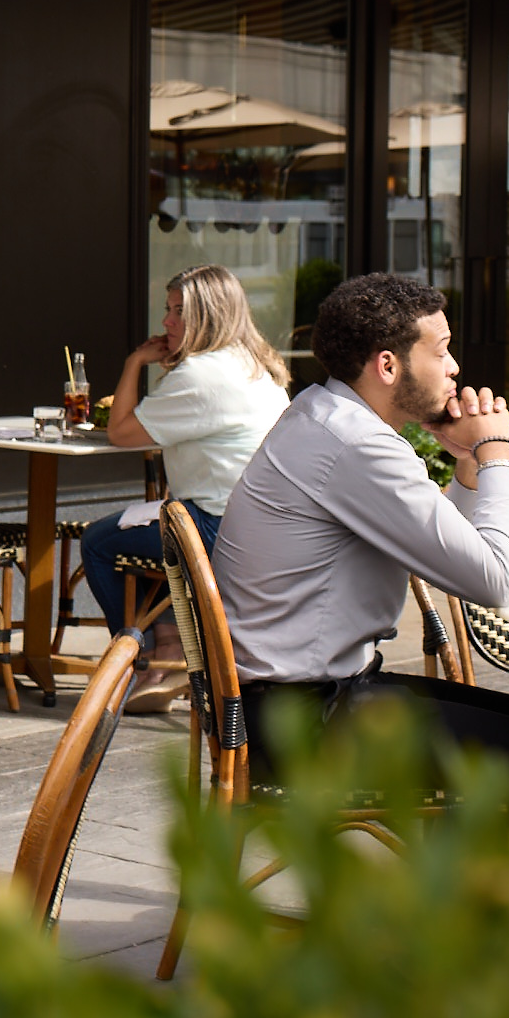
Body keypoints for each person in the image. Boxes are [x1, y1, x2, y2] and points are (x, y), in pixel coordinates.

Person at [212, 274, 509, 869]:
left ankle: (446, 896)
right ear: (388, 365)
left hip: (282, 705)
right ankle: (452, 928)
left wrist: (469, 469)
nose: (455, 367)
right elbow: (495, 581)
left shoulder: (323, 417)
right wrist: (498, 454)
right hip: (303, 727)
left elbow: (441, 549)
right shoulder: (356, 446)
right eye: (441, 349)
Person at [87, 265, 291, 708]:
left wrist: (134, 362)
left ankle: (143, 663)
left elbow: (119, 432)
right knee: (159, 526)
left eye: (180, 312)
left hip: (217, 527)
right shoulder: (258, 365)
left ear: (210, 317)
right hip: (263, 528)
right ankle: (168, 652)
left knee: (99, 542)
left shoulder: (199, 375)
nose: (166, 322)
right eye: (168, 309)